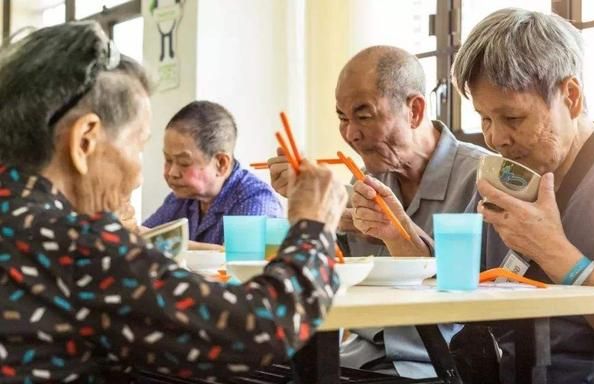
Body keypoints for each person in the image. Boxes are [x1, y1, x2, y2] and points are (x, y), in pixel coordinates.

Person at [0, 21, 347, 382]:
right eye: (138, 145)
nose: (139, 175)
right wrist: (314, 225)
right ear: (85, 140)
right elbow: (261, 329)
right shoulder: (75, 244)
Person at [269, 45, 489, 378]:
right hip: (355, 359)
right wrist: (315, 214)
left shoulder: (482, 179)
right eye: (342, 118)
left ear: (414, 110)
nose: (350, 134)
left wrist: (397, 234)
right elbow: (328, 278)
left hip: (434, 367)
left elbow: (487, 301)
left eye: (364, 115)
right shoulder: (369, 179)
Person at [450, 8, 594, 383]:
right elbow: (457, 291)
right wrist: (401, 236)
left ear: (570, 95)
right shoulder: (503, 176)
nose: (496, 139)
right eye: (484, 119)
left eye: (513, 119)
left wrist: (554, 253)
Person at [143, 101, 283, 246]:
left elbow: (239, 262)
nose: (172, 173)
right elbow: (146, 238)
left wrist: (167, 243)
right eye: (168, 160)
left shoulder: (256, 201)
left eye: (184, 162)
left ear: (221, 163)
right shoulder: (181, 198)